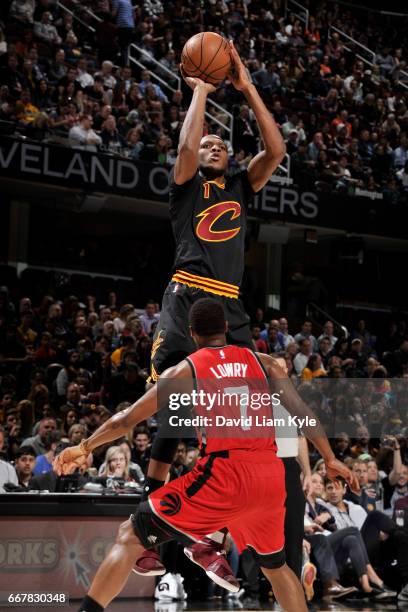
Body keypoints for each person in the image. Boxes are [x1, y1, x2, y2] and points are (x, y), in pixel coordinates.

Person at [54, 298, 358, 612]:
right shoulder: (265, 363)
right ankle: (206, 545)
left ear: (192, 334)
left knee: (130, 535)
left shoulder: (187, 369)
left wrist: (84, 446)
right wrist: (331, 457)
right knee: (277, 567)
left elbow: (128, 419)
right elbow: (303, 412)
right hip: (269, 476)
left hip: (225, 473)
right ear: (226, 328)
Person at [135, 41, 286, 577]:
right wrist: (199, 88)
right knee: (174, 411)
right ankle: (154, 538)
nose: (214, 144)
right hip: (185, 296)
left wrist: (246, 88)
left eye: (222, 142)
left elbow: (276, 149)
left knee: (234, 423)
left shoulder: (242, 186)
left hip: (230, 307)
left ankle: (208, 539)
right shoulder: (184, 190)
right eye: (208, 143)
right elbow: (183, 149)